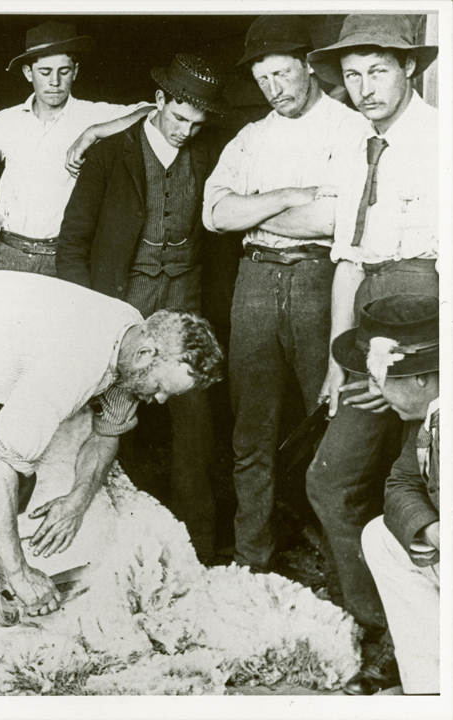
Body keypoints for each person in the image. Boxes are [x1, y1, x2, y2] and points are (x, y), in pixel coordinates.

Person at [0, 270, 224, 659]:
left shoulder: (132, 341)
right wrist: (19, 573)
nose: (161, 400)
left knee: (20, 472)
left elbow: (106, 433)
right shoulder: (76, 364)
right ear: (148, 355)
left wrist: (78, 499)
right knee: (0, 474)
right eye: (161, 387)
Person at [269, 14, 438, 694]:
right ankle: (378, 634)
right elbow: (346, 264)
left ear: (410, 70)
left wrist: (423, 365)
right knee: (331, 481)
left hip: (427, 323)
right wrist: (340, 364)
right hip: (368, 321)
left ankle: (423, 635)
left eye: (379, 70)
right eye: (353, 73)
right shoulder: (353, 147)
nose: (364, 86)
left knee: (422, 479)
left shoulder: (440, 141)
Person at [201, 15, 370, 573]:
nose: (275, 90)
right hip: (253, 280)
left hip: (320, 278)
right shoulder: (253, 136)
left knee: (331, 418)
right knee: (251, 428)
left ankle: (337, 567)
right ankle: (253, 560)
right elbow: (216, 214)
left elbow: (337, 219)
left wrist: (262, 209)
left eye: (282, 75)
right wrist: (290, 195)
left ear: (308, 65)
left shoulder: (348, 128)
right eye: (263, 80)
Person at [57, 54, 228, 559]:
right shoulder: (112, 153)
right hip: (124, 297)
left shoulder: (210, 150)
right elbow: (73, 241)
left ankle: (198, 546)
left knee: (194, 414)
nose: (185, 131)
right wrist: (85, 312)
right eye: (178, 119)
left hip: (187, 296)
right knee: (116, 411)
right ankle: (117, 542)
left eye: (197, 124)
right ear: (157, 102)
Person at [0, 20, 153, 275]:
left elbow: (155, 111)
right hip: (7, 253)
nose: (55, 81)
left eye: (64, 71)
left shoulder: (91, 115)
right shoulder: (5, 122)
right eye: (45, 72)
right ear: (28, 73)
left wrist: (93, 133)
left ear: (76, 71)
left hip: (65, 257)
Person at [333, 295, 440, 695]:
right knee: (381, 535)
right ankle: (428, 686)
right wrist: (431, 530)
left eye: (379, 379)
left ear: (419, 378)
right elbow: (400, 484)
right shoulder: (427, 414)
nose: (376, 391)